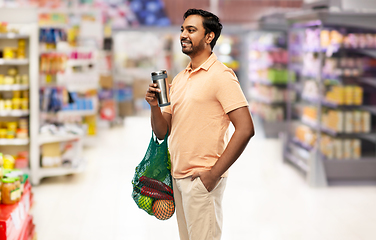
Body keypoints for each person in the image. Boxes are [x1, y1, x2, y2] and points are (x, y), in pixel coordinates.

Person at [145, 8, 254, 240]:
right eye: (182, 29)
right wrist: (155, 106)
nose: (183, 34)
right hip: (178, 179)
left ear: (209, 37)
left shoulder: (221, 76)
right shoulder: (180, 78)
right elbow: (162, 131)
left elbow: (245, 129)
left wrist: (213, 175)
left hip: (201, 182)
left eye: (191, 30)